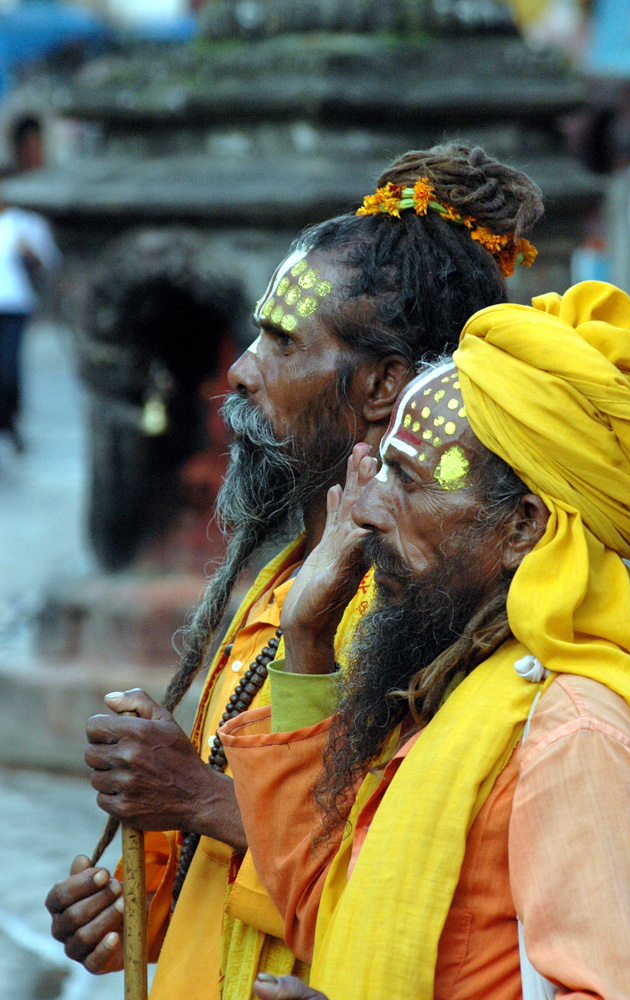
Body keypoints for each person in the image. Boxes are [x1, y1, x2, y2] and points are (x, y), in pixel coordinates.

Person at [45, 143, 543, 999]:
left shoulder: (428, 608)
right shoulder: (286, 581)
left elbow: (396, 871)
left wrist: (198, 797)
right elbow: (240, 871)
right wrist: (141, 908)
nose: (239, 370)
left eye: (280, 341)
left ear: (384, 383)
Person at [220, 281, 630, 1000]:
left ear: (522, 525)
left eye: (406, 480)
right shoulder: (447, 688)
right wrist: (304, 637)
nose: (360, 508)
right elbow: (320, 912)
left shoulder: (573, 737)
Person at [0, 200, 60, 451]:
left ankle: (9, 421)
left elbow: (50, 262)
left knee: (8, 370)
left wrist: (29, 253)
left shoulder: (25, 223)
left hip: (14, 307)